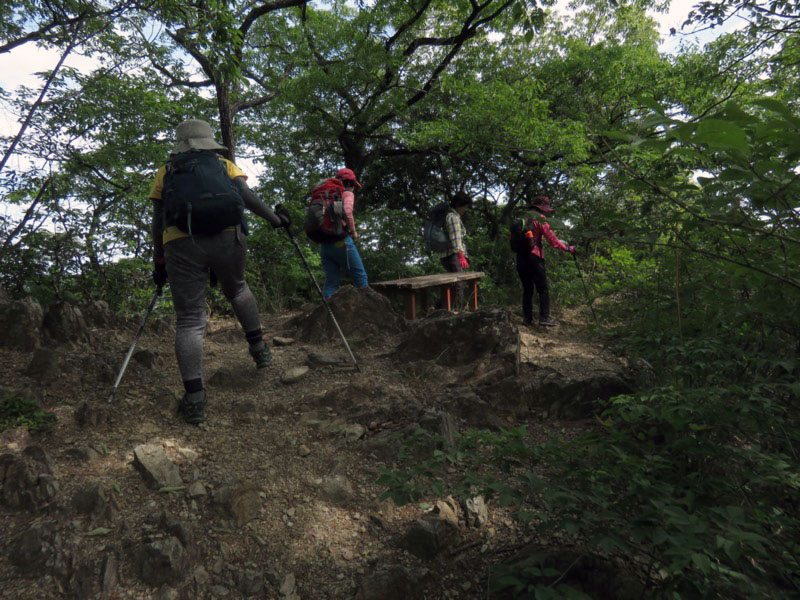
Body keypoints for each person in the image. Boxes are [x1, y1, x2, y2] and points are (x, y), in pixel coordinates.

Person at [149, 119, 290, 425]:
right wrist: (276, 220)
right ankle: (259, 349)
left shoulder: (166, 172)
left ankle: (196, 397)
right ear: (208, 142)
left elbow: (158, 220)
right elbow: (248, 198)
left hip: (180, 242)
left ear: (180, 145)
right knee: (238, 288)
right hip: (229, 236)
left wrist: (159, 259)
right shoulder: (224, 165)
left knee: (189, 318)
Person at [513, 195, 574, 327]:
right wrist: (567, 248)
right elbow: (552, 240)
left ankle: (527, 319)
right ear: (541, 208)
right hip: (534, 257)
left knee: (527, 289)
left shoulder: (521, 218)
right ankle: (544, 318)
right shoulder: (539, 219)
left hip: (520, 257)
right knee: (542, 289)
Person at [319, 167, 368, 298]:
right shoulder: (346, 193)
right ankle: (367, 312)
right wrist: (353, 231)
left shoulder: (326, 195)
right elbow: (347, 211)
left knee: (331, 283)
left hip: (324, 244)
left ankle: (328, 316)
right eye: (354, 185)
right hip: (341, 242)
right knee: (360, 278)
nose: (354, 189)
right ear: (350, 183)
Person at [440, 191, 472, 309]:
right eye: (465, 206)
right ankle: (458, 312)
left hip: (450, 255)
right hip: (453, 255)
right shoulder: (453, 217)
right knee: (460, 284)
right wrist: (461, 256)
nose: (466, 209)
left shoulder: (451, 216)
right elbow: (456, 238)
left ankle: (449, 309)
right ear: (459, 205)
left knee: (455, 284)